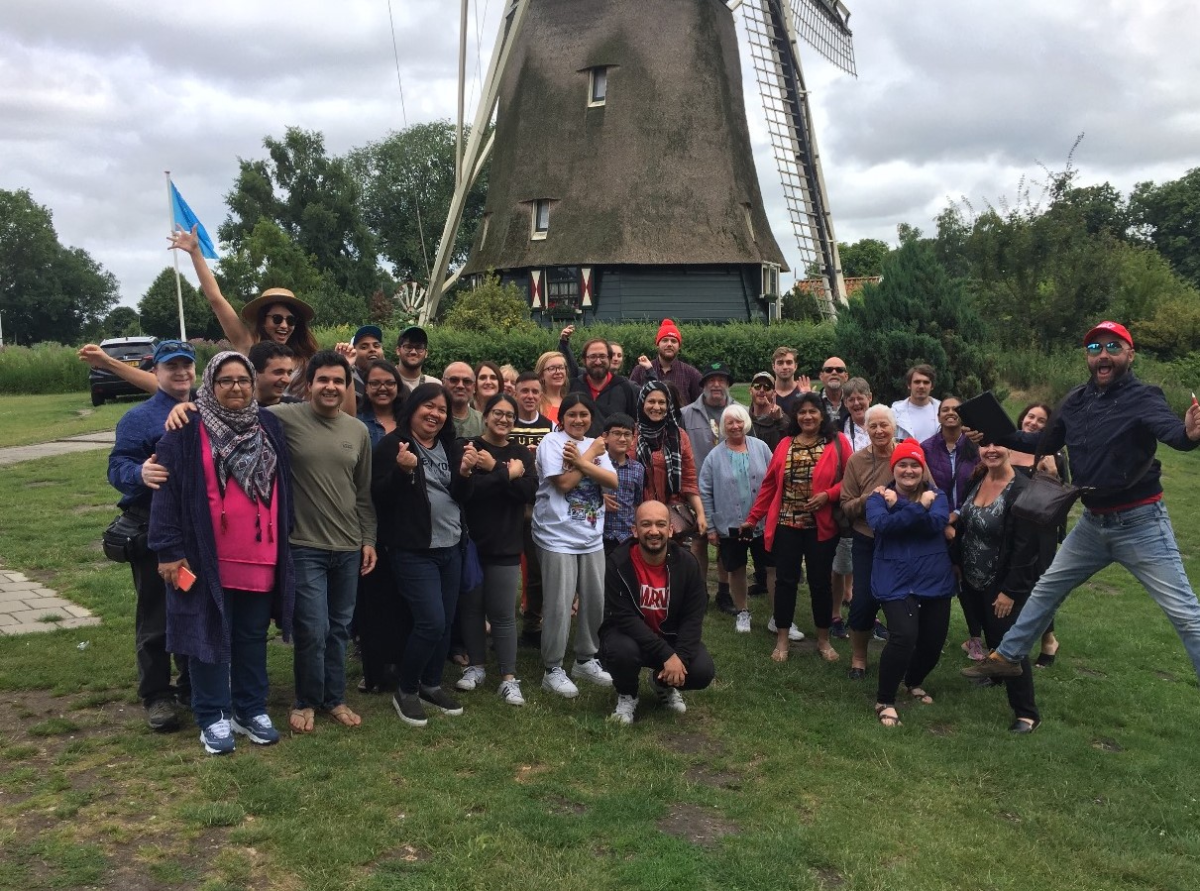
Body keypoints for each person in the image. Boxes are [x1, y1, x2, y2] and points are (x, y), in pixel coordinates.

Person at [964, 321, 1200, 689]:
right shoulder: (1074, 401)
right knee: (1046, 589)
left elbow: (1174, 434)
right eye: (1094, 349)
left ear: (1129, 354)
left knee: (1185, 614)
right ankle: (1009, 657)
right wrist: (993, 431)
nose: (1103, 355)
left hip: (1141, 523)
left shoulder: (1145, 397)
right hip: (1093, 523)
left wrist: (1189, 433)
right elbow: (1041, 441)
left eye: (1112, 347)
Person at [149, 351, 295, 754]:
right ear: (210, 386)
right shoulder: (185, 430)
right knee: (208, 636)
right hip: (206, 558)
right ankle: (213, 715)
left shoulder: (268, 425)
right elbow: (166, 494)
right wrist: (168, 549)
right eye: (226, 380)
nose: (236, 387)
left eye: (243, 380)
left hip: (261, 554)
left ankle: (250, 709)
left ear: (253, 385)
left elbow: (284, 483)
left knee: (251, 636)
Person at [264, 351, 377, 732]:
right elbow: (234, 415)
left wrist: (368, 538)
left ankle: (335, 698)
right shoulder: (283, 418)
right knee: (312, 628)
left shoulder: (357, 430)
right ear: (308, 384)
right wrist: (187, 410)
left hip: (347, 546)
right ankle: (306, 699)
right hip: (304, 544)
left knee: (340, 627)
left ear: (347, 387)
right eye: (323, 380)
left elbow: (363, 493)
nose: (330, 387)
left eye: (338, 381)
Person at [372, 383, 478, 726]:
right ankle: (406, 689)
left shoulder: (449, 445)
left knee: (446, 621)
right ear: (414, 407)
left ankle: (431, 683)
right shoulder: (394, 444)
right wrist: (402, 471)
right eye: (428, 406)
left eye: (442, 409)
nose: (435, 414)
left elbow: (461, 494)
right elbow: (380, 498)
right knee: (431, 621)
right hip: (414, 550)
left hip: (451, 545)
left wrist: (464, 474)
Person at [107, 339, 196, 731]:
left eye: (187, 366)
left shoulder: (205, 412)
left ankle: (194, 685)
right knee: (156, 615)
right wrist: (139, 473)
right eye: (171, 366)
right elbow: (117, 467)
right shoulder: (138, 418)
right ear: (155, 372)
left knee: (197, 608)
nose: (180, 373)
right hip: (152, 527)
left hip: (198, 529)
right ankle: (157, 695)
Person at [742, 392, 849, 662]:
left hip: (821, 528)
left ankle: (823, 640)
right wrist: (753, 518)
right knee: (785, 582)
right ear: (796, 416)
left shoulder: (838, 443)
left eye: (813, 411)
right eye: (802, 412)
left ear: (822, 415)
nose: (807, 416)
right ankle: (782, 638)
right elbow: (769, 485)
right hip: (787, 525)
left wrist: (829, 495)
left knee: (820, 584)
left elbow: (851, 482)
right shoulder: (785, 443)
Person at [533, 393, 619, 698]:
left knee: (594, 601)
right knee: (558, 603)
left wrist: (582, 459)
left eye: (584, 414)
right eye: (572, 415)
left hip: (591, 535)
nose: (579, 420)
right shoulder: (551, 443)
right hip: (557, 536)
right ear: (562, 418)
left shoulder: (595, 443)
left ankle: (585, 659)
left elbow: (611, 481)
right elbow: (564, 483)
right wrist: (590, 458)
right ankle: (552, 668)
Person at [866, 439, 956, 728]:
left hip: (933, 577)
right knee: (904, 637)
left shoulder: (937, 495)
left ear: (922, 468)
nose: (908, 470)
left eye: (914, 465)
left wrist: (902, 507)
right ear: (894, 469)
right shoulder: (878, 498)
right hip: (894, 578)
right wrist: (917, 507)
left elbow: (936, 524)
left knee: (932, 642)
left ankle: (913, 681)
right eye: (902, 465)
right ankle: (885, 699)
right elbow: (883, 526)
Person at [600, 501, 716, 724]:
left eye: (660, 524)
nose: (654, 531)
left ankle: (662, 683)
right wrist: (667, 655)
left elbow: (693, 618)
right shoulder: (617, 563)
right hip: (630, 637)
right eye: (646, 524)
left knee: (702, 670)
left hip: (670, 637)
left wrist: (679, 658)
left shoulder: (688, 564)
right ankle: (627, 695)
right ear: (635, 530)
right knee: (619, 650)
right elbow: (624, 618)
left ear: (670, 529)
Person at [953, 443, 1042, 733]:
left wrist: (1011, 591)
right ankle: (995, 677)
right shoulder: (978, 478)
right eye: (985, 445)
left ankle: (1026, 713)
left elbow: (1027, 548)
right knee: (992, 633)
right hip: (971, 577)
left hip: (1001, 581)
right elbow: (966, 522)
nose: (991, 450)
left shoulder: (1022, 489)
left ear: (1011, 448)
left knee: (1010, 644)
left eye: (998, 444)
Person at [170, 226, 318, 397]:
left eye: (291, 320)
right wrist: (195, 253)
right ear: (263, 320)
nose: (284, 325)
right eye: (277, 319)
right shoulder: (248, 345)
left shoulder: (306, 359)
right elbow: (216, 300)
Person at [458, 393, 537, 706]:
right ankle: (476, 667)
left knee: (503, 615)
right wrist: (505, 473)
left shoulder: (521, 454)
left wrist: (493, 468)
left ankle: (508, 677)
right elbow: (469, 491)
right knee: (472, 610)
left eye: (509, 416)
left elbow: (528, 491)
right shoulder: (468, 447)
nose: (503, 420)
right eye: (497, 414)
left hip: (506, 544)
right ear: (485, 415)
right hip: (472, 544)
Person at [840, 405, 928, 678]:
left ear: (894, 427)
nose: (879, 430)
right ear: (865, 428)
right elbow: (846, 506)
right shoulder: (856, 461)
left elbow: (928, 493)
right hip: (867, 540)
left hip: (903, 542)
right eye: (873, 425)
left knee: (906, 601)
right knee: (863, 601)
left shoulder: (908, 455)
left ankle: (904, 656)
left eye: (884, 425)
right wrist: (870, 498)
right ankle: (858, 658)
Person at [700, 405, 775, 633]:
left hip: (762, 523)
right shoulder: (714, 456)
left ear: (746, 422)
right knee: (737, 569)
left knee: (773, 568)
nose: (735, 426)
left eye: (739, 421)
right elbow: (705, 491)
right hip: (730, 526)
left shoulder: (761, 448)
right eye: (730, 422)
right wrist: (711, 528)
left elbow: (774, 480)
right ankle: (743, 612)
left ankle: (778, 616)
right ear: (723, 426)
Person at [920, 397, 984, 661]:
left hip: (969, 521)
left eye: (956, 409)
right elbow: (923, 486)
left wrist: (956, 514)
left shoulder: (976, 447)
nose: (950, 413)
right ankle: (927, 634)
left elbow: (982, 482)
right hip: (937, 523)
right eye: (945, 409)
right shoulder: (926, 448)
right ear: (938, 416)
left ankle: (976, 639)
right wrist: (942, 518)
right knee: (935, 578)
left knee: (969, 583)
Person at [1011, 402, 1068, 667]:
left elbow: (1065, 494)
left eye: (1041, 420)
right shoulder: (1007, 447)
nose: (1033, 423)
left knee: (1040, 586)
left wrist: (1054, 474)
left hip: (1040, 529)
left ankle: (1049, 639)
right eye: (1030, 416)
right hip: (1010, 526)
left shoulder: (1053, 455)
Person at [681, 362, 738, 613]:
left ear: (727, 384)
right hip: (697, 488)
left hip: (731, 487)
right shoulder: (686, 414)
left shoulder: (740, 412)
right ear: (703, 384)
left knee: (727, 542)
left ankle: (724, 592)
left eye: (721, 380)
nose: (716, 384)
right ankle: (699, 590)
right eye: (711, 380)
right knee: (698, 541)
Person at [633, 382, 708, 551]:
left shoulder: (678, 436)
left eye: (662, 402)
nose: (656, 407)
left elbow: (689, 480)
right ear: (642, 403)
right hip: (637, 513)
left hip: (670, 515)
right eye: (651, 402)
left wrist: (701, 514)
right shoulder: (631, 435)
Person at [511, 371, 556, 645]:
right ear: (515, 393)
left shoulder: (550, 427)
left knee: (536, 569)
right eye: (524, 391)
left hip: (536, 507)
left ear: (540, 395)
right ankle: (498, 620)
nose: (529, 396)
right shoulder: (506, 423)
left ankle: (532, 624)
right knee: (502, 566)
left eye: (534, 391)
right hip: (506, 506)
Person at [629, 319, 702, 404]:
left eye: (674, 341)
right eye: (665, 340)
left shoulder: (691, 374)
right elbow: (631, 401)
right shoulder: (640, 371)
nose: (669, 344)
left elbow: (700, 406)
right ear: (657, 344)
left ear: (679, 346)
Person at [601, 413, 644, 555]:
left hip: (626, 536)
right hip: (600, 535)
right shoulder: (596, 463)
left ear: (633, 438)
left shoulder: (638, 469)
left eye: (627, 434)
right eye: (617, 433)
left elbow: (636, 502)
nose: (622, 438)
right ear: (605, 437)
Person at [568, 338, 637, 426]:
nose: (598, 362)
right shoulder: (572, 387)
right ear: (584, 360)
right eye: (592, 357)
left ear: (610, 359)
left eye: (602, 356)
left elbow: (634, 423)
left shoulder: (624, 387)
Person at [358, 359, 406, 447]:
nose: (383, 388)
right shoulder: (357, 422)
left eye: (389, 383)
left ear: (398, 386)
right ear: (366, 388)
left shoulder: (409, 421)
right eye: (375, 383)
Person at [891, 364, 941, 443]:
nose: (921, 386)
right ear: (909, 385)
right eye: (917, 382)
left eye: (926, 382)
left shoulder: (942, 412)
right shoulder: (894, 413)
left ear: (932, 386)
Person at [247, 342, 298, 407]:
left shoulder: (297, 410)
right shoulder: (239, 411)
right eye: (279, 372)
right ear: (254, 373)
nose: (287, 380)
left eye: (289, 373)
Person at [441, 362, 483, 439]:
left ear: (474, 387)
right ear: (443, 383)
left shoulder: (483, 423)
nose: (460, 385)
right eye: (454, 380)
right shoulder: (434, 417)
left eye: (467, 381)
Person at [749, 371, 789, 450]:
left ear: (774, 393)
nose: (762, 390)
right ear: (750, 390)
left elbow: (789, 441)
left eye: (767, 387)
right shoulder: (744, 418)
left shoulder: (781, 419)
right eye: (757, 386)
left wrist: (780, 420)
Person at [394, 326, 441, 393]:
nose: (413, 352)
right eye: (408, 347)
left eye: (419, 347)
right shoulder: (386, 380)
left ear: (426, 353)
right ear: (398, 350)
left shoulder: (435, 386)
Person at [348, 325, 385, 408]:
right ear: (353, 352)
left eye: (376, 346)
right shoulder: (345, 383)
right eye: (364, 347)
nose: (372, 349)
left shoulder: (395, 381)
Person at [535, 351, 570, 425]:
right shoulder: (536, 403)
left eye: (561, 367)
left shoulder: (571, 402)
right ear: (541, 375)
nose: (558, 372)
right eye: (552, 368)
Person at [840, 377, 873, 451]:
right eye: (851, 400)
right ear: (845, 402)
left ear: (870, 398)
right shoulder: (839, 428)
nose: (856, 403)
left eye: (860, 398)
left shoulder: (882, 423)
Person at [817, 357, 850, 426]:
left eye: (839, 370)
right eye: (829, 370)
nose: (834, 372)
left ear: (846, 376)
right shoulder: (813, 403)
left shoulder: (854, 403)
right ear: (821, 376)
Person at [772, 347, 803, 417]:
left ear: (795, 366)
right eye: (780, 363)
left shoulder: (803, 392)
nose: (785, 367)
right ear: (773, 367)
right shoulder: (766, 392)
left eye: (789, 362)